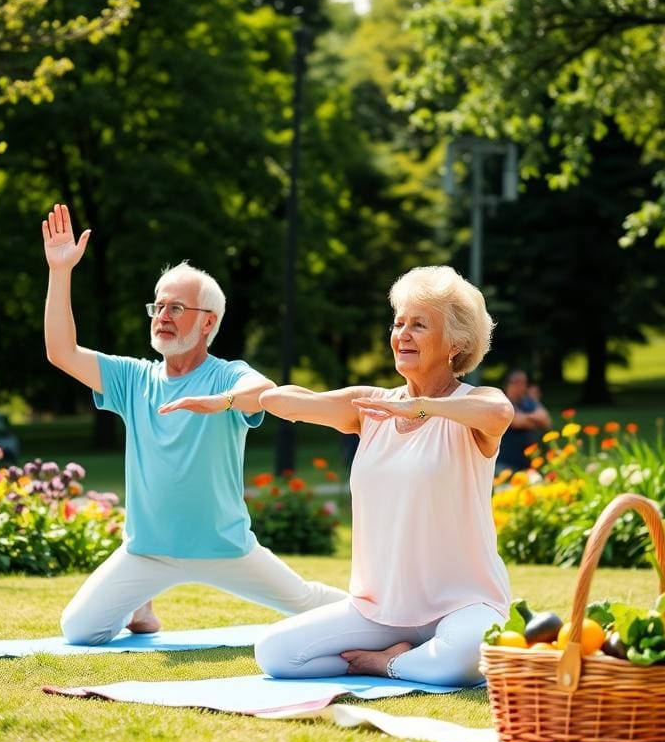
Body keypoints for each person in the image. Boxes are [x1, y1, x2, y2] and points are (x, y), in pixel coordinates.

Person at [41, 204, 346, 644]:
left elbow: (265, 392)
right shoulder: (133, 378)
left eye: (176, 307)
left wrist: (219, 402)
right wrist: (60, 270)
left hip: (224, 548)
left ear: (208, 322)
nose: (162, 316)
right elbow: (61, 351)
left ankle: (392, 620)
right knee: (79, 631)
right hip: (147, 552)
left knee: (308, 603)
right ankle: (141, 608)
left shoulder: (226, 374)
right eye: (158, 305)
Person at [253, 265, 514, 686]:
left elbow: (500, 412)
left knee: (462, 661)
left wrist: (424, 407)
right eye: (398, 323)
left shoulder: (473, 405)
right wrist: (248, 395)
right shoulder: (372, 406)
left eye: (419, 325)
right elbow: (288, 403)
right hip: (381, 609)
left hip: (465, 604)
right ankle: (407, 656)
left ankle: (386, 663)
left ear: (457, 343)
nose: (402, 334)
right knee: (277, 654)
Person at [496, 369, 552, 473]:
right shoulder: (501, 402)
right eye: (517, 382)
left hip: (528, 465)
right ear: (508, 384)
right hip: (505, 465)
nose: (521, 386)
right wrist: (535, 421)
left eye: (524, 382)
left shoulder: (528, 403)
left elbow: (546, 421)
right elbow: (516, 422)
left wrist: (534, 401)